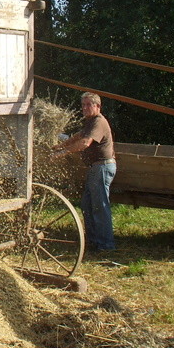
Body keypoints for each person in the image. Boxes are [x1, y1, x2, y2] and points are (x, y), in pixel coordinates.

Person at [52, 92, 117, 251]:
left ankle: (106, 245)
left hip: (101, 167)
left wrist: (62, 153)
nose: (85, 108)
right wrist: (58, 146)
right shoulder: (90, 122)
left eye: (89, 105)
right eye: (83, 105)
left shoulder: (98, 122)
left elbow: (84, 143)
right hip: (95, 168)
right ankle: (94, 241)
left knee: (99, 207)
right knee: (88, 205)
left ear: (98, 106)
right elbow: (77, 137)